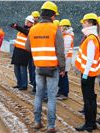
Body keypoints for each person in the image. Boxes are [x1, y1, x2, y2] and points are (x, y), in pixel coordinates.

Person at [25, 1, 65, 132]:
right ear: (52, 15)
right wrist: (63, 68)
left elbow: (27, 47)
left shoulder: (33, 28)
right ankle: (51, 126)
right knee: (52, 97)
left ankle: (37, 122)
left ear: (42, 14)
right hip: (52, 68)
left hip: (39, 67)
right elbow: (60, 51)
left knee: (38, 95)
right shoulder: (55, 28)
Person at [74, 13, 100, 132]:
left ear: (89, 23)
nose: (82, 23)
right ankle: (92, 123)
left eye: (84, 22)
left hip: (88, 74)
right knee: (91, 98)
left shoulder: (91, 38)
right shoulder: (94, 36)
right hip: (91, 73)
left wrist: (85, 74)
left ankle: (88, 124)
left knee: (88, 99)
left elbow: (90, 59)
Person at [10, 15, 34, 90]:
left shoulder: (31, 30)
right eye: (27, 21)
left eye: (29, 22)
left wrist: (16, 26)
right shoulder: (22, 30)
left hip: (24, 52)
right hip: (17, 51)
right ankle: (19, 83)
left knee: (23, 69)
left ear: (32, 24)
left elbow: (25, 32)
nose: (27, 23)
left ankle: (24, 85)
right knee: (16, 69)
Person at [57, 19, 74, 100]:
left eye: (61, 26)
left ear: (65, 27)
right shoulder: (66, 35)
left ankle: (64, 93)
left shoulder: (67, 36)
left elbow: (65, 51)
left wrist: (62, 62)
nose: (60, 28)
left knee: (63, 76)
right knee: (62, 76)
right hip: (64, 59)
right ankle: (61, 92)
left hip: (65, 60)